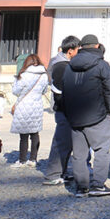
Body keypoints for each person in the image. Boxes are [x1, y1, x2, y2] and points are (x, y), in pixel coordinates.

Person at [59, 34, 110, 197]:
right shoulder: (102, 65)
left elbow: (64, 90)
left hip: (75, 117)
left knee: (79, 154)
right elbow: (109, 90)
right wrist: (109, 110)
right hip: (98, 115)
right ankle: (98, 185)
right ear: (97, 46)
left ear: (81, 47)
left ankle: (81, 187)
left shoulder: (69, 66)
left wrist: (69, 113)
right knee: (101, 150)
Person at [42, 36, 80, 186]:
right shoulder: (61, 66)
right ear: (70, 51)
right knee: (61, 142)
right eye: (78, 50)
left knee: (67, 143)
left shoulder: (63, 64)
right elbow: (61, 91)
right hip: (64, 110)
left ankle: (61, 172)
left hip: (66, 109)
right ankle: (52, 174)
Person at [10, 54, 49, 168]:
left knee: (24, 135)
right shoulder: (44, 75)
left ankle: (22, 160)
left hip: (24, 106)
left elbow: (15, 91)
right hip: (37, 106)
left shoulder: (23, 75)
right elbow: (44, 90)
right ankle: (33, 159)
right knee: (35, 133)